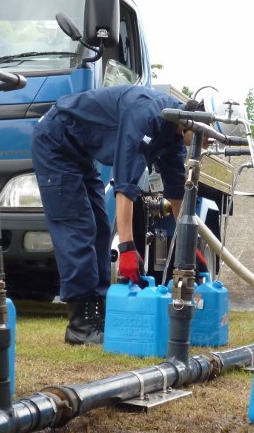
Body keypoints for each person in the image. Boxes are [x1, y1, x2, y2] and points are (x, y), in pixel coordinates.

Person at [31, 85, 195, 345]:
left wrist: (189, 244)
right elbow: (126, 184)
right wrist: (128, 247)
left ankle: (98, 316)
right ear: (192, 123)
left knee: (100, 228)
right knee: (78, 227)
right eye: (206, 138)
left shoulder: (174, 136)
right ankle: (80, 326)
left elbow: (176, 192)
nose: (207, 144)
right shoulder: (149, 114)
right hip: (55, 142)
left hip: (81, 154)